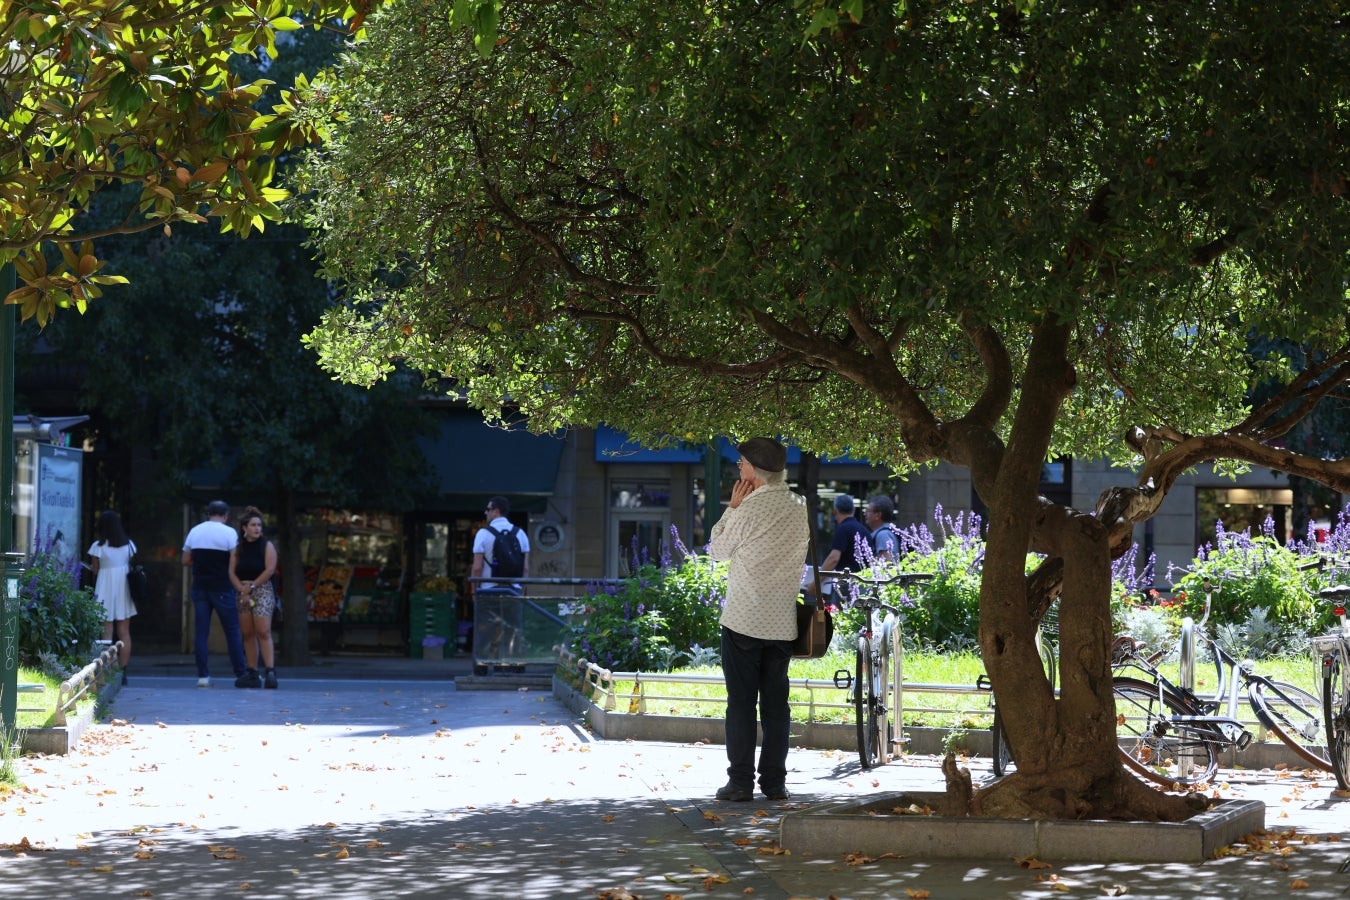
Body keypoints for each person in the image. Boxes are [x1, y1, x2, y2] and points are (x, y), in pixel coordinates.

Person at [708, 437, 809, 803]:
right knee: (776, 705)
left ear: (754, 470)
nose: (738, 469)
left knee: (741, 703)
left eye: (741, 464)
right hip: (782, 621)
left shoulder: (749, 506)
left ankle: (739, 783)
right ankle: (774, 783)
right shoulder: (799, 505)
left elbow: (717, 552)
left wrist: (731, 508)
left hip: (743, 620)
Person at [182, 500, 248, 688]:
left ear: (208, 513)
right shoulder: (229, 533)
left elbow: (185, 560)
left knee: (201, 632)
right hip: (222, 587)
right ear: (226, 515)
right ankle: (240, 673)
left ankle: (203, 676)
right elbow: (235, 561)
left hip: (200, 586)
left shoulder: (195, 531)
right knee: (232, 631)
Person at [470, 496, 532, 667]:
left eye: (488, 509)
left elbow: (477, 567)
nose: (485, 512)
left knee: (485, 630)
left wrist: (474, 590)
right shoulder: (521, 534)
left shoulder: (483, 534)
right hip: (513, 590)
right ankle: (516, 665)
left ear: (496, 511)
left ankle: (482, 665)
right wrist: (521, 590)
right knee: (514, 630)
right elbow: (525, 569)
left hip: (488, 591)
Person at [230, 506, 279, 689]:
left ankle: (270, 671)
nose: (257, 528)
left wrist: (252, 586)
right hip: (243, 591)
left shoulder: (267, 546)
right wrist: (241, 589)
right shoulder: (238, 549)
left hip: (262, 589)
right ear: (244, 528)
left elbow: (270, 570)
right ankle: (252, 672)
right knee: (248, 633)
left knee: (263, 631)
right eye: (253, 525)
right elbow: (231, 572)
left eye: (259, 525)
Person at [87, 510, 137, 685]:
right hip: (123, 588)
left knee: (106, 631)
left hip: (105, 587)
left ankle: (107, 671)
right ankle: (123, 671)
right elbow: (130, 566)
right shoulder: (129, 545)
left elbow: (95, 570)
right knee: (124, 631)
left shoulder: (97, 546)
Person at [817, 494, 869, 597]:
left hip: (846, 587)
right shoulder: (865, 530)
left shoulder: (842, 529)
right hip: (864, 585)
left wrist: (816, 583)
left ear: (835, 511)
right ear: (853, 510)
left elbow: (833, 559)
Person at [865, 494, 901, 562]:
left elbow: (887, 564)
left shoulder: (883, 535)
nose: (865, 514)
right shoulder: (884, 533)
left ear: (878, 515)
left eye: (868, 511)